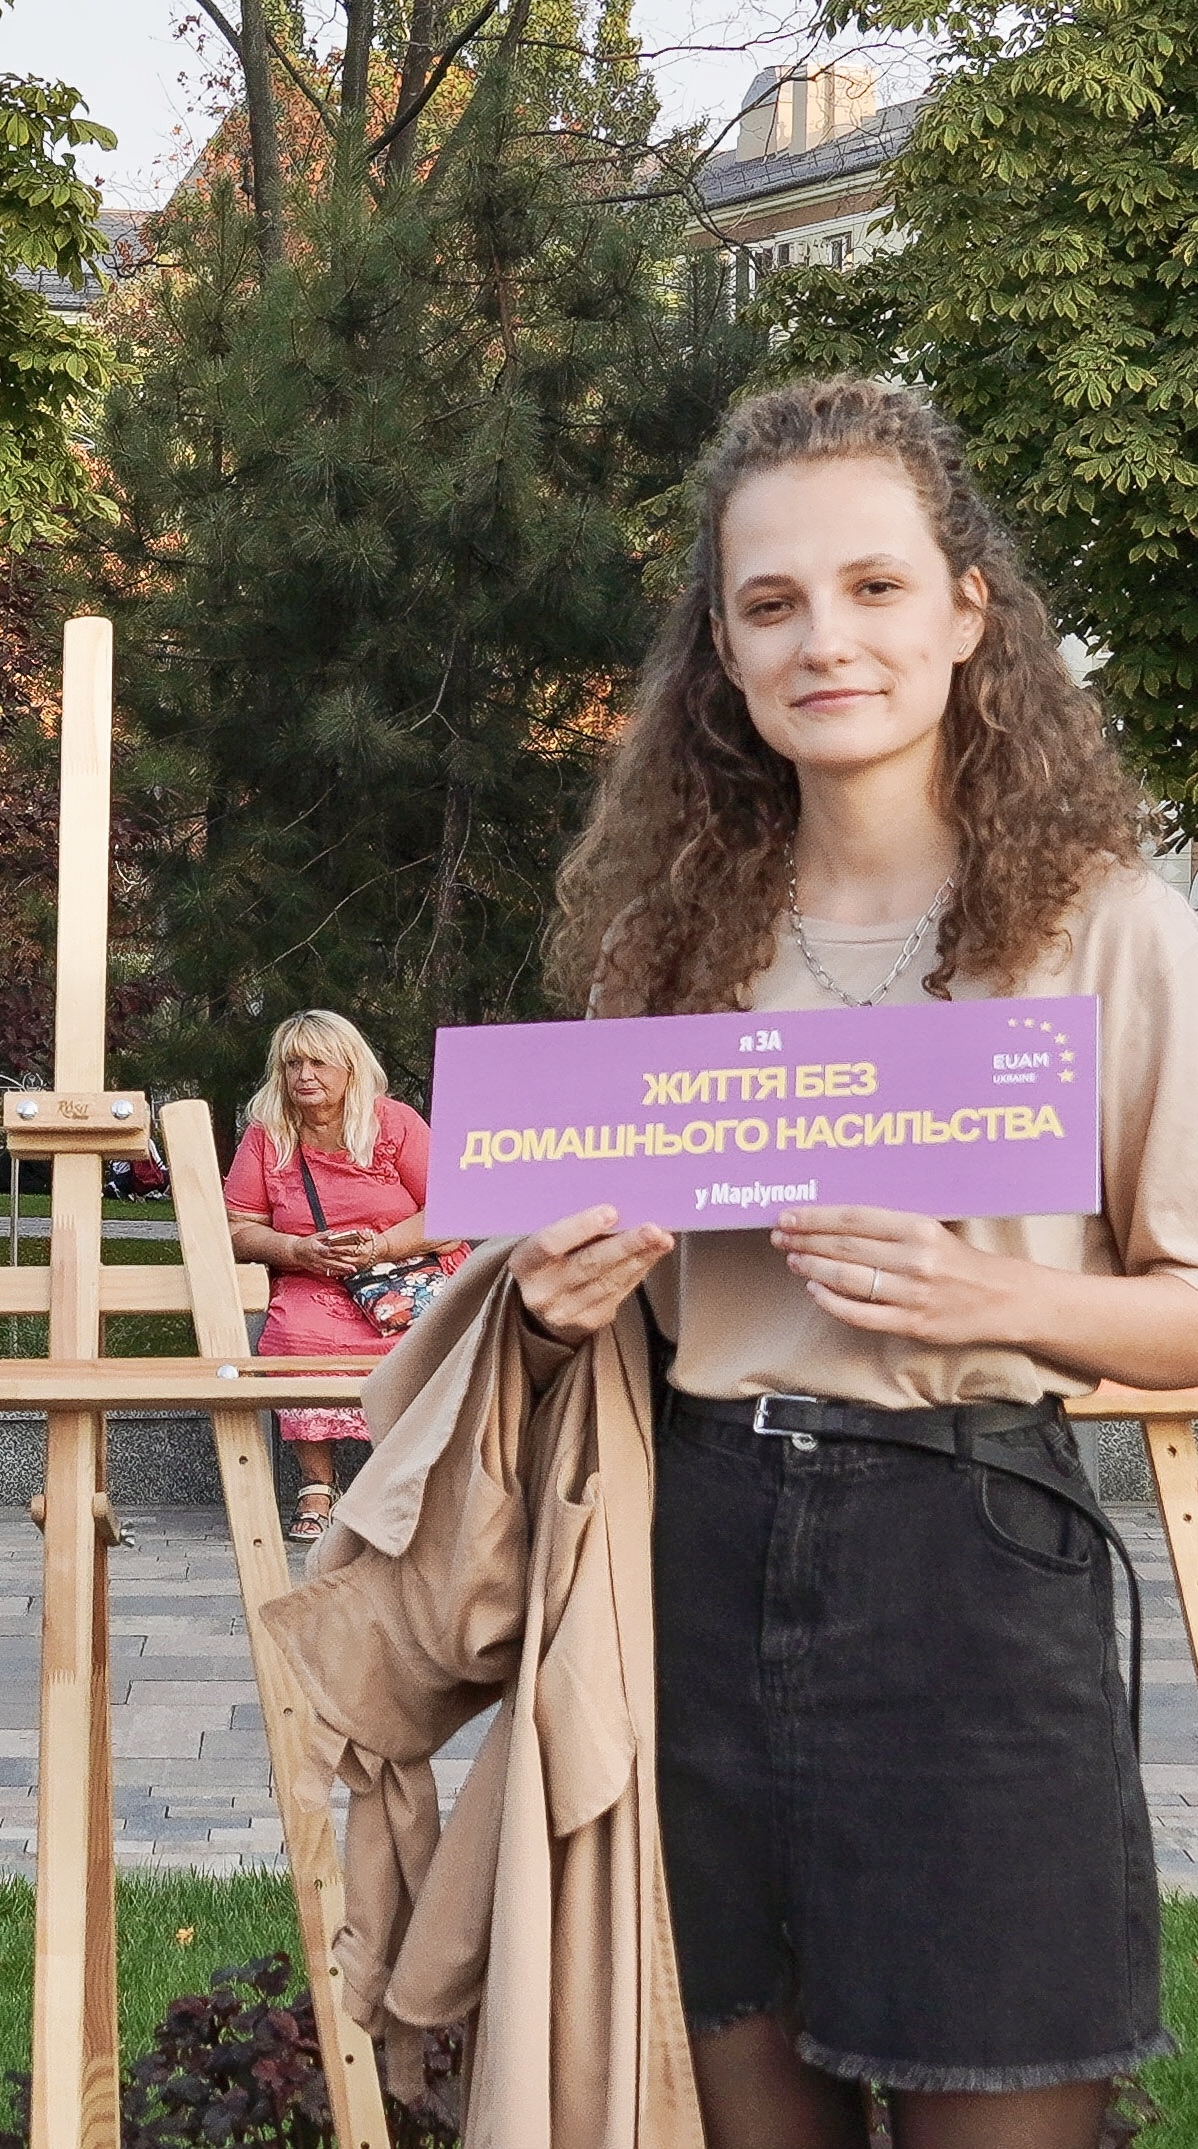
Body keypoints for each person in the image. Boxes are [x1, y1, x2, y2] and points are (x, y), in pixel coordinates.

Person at [513, 376, 1198, 2149]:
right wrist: (554, 1306)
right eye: (771, 602)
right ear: (722, 655)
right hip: (696, 1551)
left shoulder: (1114, 930)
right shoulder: (658, 949)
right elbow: (594, 1298)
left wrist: (1000, 1299)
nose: (825, 638)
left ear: (966, 612)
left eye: (873, 585)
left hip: (973, 1555)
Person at [224, 1010, 463, 1541]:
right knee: (294, 1335)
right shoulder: (267, 1135)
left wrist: (379, 1246)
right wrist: (296, 1249)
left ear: (351, 1067)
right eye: (292, 1064)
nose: (304, 1075)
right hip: (313, 1278)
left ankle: (408, 1484)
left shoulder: (394, 1122)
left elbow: (452, 1210)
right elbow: (238, 1227)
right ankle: (317, 1486)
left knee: (426, 1339)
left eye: (318, 1062)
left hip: (406, 1274)